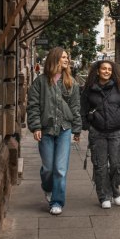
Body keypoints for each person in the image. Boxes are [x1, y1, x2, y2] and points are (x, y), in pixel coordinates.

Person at [27, 47, 81, 215]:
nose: (67, 60)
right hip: (45, 130)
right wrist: (35, 126)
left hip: (65, 128)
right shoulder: (40, 82)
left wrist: (77, 130)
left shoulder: (72, 82)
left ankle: (57, 202)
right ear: (55, 59)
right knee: (48, 168)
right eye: (63, 57)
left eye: (67, 57)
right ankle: (47, 187)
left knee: (60, 168)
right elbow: (33, 106)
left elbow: (75, 107)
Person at [81, 60, 120, 209]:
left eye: (109, 69)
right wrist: (87, 126)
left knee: (118, 165)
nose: (107, 71)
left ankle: (115, 189)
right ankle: (104, 195)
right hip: (97, 133)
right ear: (98, 71)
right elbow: (83, 109)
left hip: (116, 132)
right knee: (100, 166)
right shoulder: (89, 89)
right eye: (104, 69)